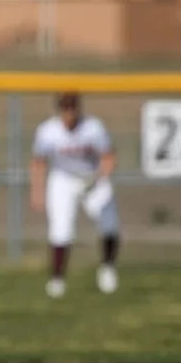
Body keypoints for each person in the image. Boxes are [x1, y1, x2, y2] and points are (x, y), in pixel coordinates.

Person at [29, 91, 121, 298]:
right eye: (65, 107)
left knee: (109, 223)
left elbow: (109, 157)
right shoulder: (48, 131)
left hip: (92, 176)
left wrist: (101, 177)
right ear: (59, 109)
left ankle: (108, 268)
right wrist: (37, 191)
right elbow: (38, 161)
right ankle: (57, 280)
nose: (69, 112)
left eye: (72, 106)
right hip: (63, 179)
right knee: (60, 229)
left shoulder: (93, 128)